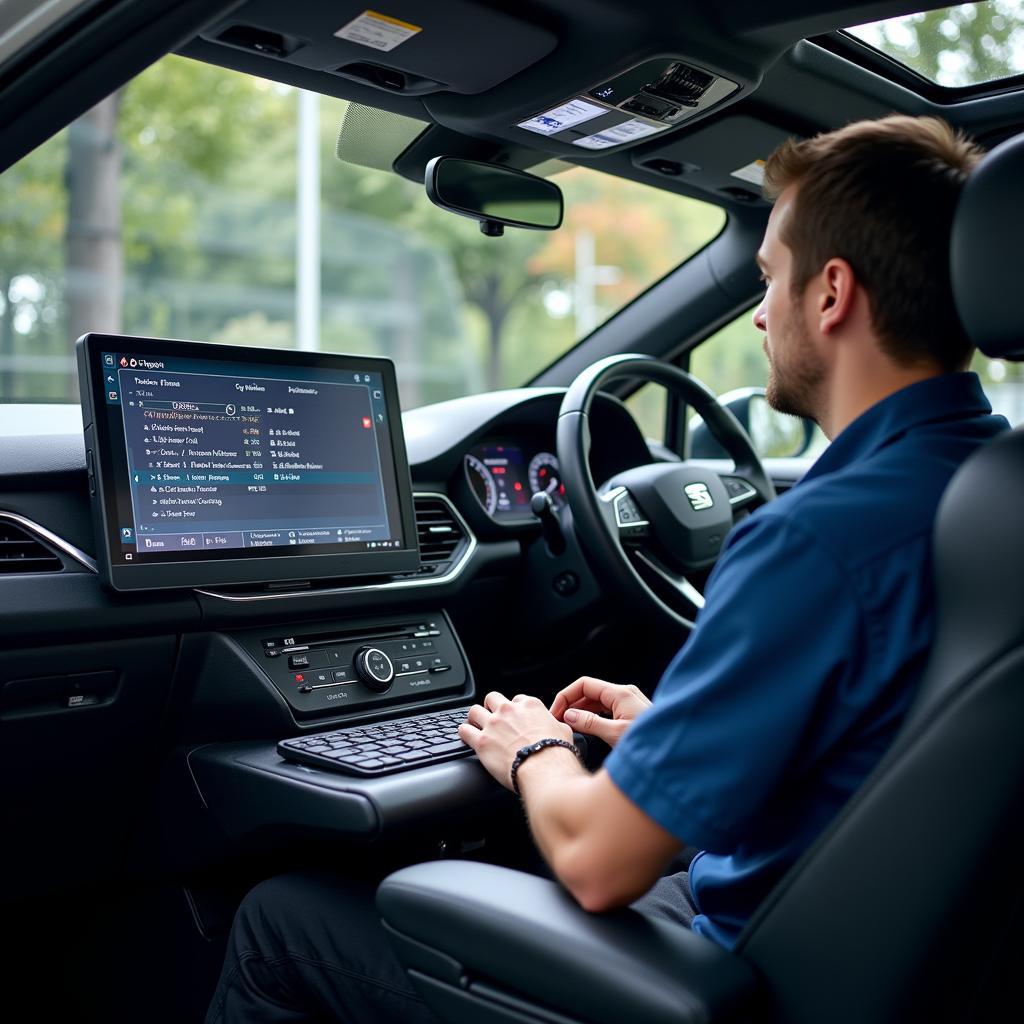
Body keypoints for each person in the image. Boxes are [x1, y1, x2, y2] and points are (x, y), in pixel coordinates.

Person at [205, 115, 1008, 1023]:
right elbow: (881, 759)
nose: (757, 312)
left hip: (740, 977)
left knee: (281, 921)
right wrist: (674, 736)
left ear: (830, 294)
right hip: (898, 958)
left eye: (768, 278)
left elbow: (593, 862)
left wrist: (535, 751)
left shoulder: (817, 540)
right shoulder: (991, 491)